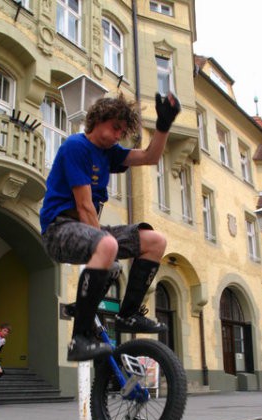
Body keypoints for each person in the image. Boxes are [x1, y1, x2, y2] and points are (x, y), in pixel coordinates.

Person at [40, 91, 181, 362]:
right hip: (58, 230)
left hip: (87, 228)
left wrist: (163, 126)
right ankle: (79, 339)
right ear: (99, 119)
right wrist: (109, 254)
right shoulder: (75, 146)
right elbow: (84, 207)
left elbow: (150, 157)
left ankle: (128, 314)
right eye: (116, 128)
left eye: (123, 131)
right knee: (107, 245)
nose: (119, 135)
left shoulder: (110, 153)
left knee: (155, 241)